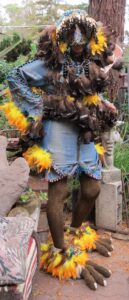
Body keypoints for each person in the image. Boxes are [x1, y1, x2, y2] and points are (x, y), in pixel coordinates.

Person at [5, 10, 119, 253]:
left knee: (92, 189)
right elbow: (15, 76)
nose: (77, 42)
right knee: (60, 190)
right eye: (71, 35)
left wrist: (101, 103)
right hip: (58, 131)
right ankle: (60, 251)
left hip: (85, 131)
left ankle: (75, 231)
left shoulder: (91, 62)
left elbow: (88, 90)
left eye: (83, 35)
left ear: (90, 36)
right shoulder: (49, 64)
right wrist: (40, 105)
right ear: (62, 36)